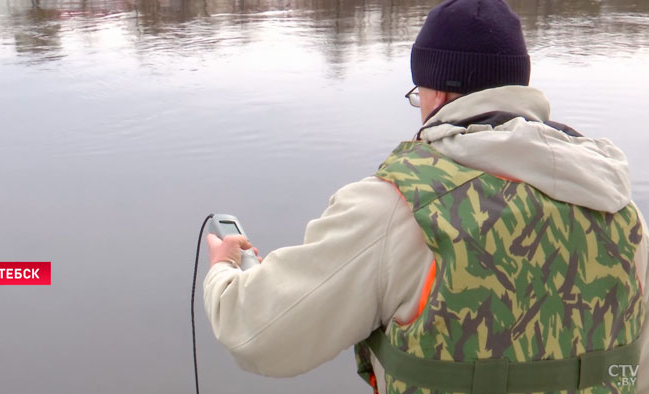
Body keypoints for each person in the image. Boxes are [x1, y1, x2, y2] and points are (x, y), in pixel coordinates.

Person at [204, 0, 648, 392]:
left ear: (437, 91)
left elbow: (259, 334)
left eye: (418, 93)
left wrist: (224, 270)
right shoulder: (616, 203)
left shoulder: (396, 207)